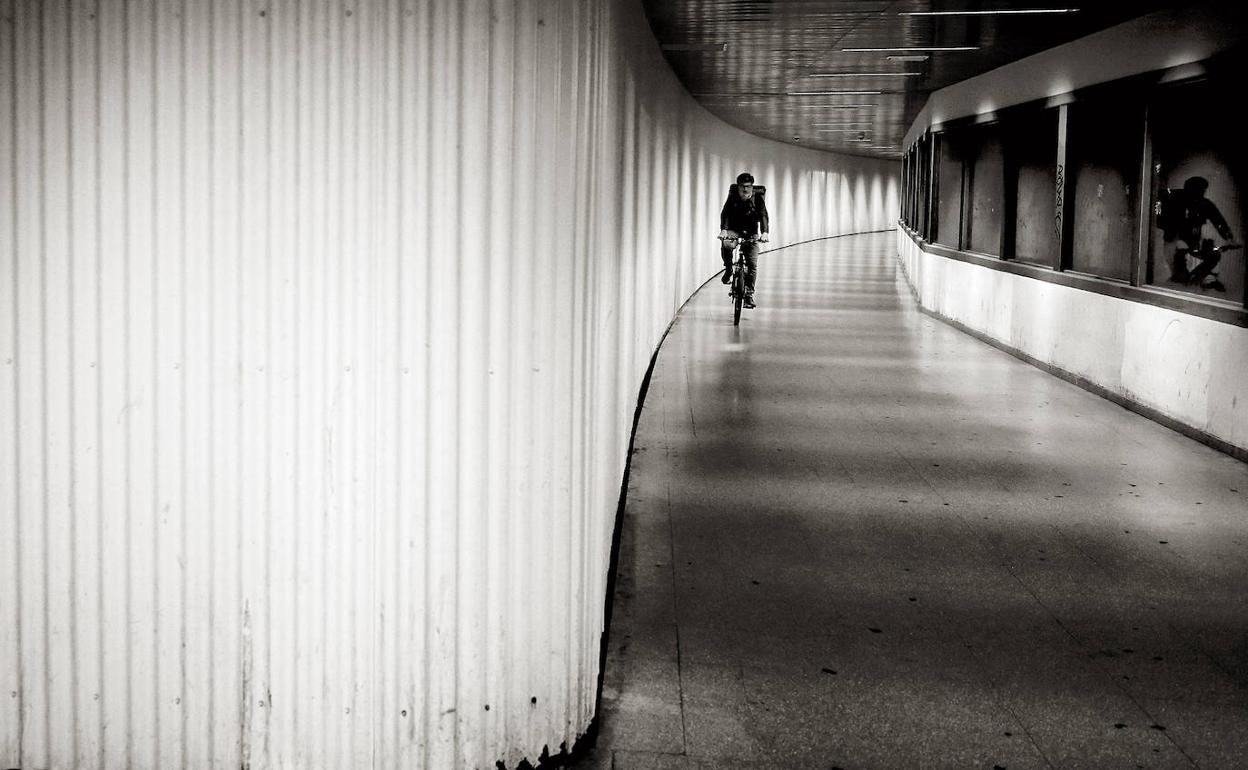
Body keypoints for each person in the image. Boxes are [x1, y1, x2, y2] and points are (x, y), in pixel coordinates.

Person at [1163, 175, 1234, 290]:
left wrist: (1229, 237)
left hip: (1192, 244)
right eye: (1200, 191)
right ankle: (1183, 280)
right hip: (1175, 243)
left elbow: (1218, 220)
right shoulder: (1177, 201)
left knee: (1213, 255)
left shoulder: (1204, 204)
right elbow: (1169, 224)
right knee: (1180, 272)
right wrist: (1176, 240)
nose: (1202, 194)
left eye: (1203, 191)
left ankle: (1193, 279)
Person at [719, 172, 769, 308]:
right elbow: (725, 213)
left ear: (752, 187)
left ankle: (749, 294)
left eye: (748, 186)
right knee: (727, 245)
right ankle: (729, 268)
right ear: (738, 187)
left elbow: (764, 216)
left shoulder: (757, 199)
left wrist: (764, 233)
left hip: (751, 233)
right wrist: (724, 230)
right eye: (742, 187)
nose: (745, 190)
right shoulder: (733, 197)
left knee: (752, 264)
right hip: (734, 230)